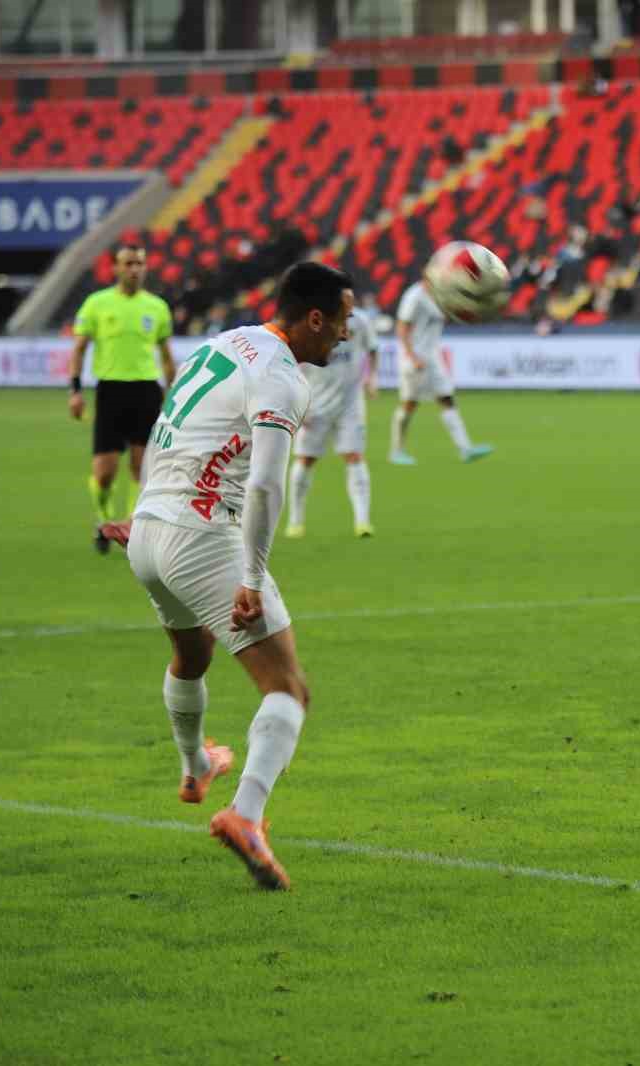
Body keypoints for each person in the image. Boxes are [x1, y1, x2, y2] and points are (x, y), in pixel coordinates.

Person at [104, 261, 353, 890]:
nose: (346, 335)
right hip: (203, 534)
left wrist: (145, 510)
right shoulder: (282, 377)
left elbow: (169, 426)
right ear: (315, 318)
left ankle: (194, 766)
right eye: (343, 320)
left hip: (150, 533)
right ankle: (245, 816)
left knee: (192, 652)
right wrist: (252, 574)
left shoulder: (225, 343)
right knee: (287, 688)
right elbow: (267, 484)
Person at [68, 244, 175, 554]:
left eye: (139, 263)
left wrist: (174, 395)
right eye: (128, 264)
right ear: (115, 268)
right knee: (104, 473)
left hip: (146, 389)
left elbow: (166, 357)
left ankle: (131, 528)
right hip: (111, 391)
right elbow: (79, 349)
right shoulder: (96, 304)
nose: (135, 269)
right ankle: (102, 520)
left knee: (143, 469)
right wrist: (75, 391)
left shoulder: (157, 307)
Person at [285, 303, 379, 538]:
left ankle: (363, 521)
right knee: (306, 459)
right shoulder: (311, 323)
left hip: (350, 404)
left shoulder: (361, 321)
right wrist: (299, 402)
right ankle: (295, 521)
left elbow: (373, 349)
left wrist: (371, 377)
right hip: (315, 403)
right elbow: (293, 362)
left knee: (354, 455)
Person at [388, 273, 493, 465]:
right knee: (409, 404)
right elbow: (402, 327)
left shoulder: (439, 295)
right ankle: (397, 451)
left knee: (447, 399)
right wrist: (412, 356)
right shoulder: (414, 296)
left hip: (433, 357)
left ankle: (465, 449)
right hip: (414, 359)